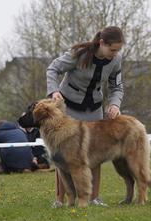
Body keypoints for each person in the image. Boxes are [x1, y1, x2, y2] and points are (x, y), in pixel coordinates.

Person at [46, 26, 125, 207]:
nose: (115, 54)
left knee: (95, 153)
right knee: (63, 156)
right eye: (112, 49)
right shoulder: (78, 54)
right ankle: (60, 200)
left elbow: (117, 87)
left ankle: (94, 198)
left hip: (94, 111)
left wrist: (114, 104)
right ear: (101, 43)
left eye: (118, 50)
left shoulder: (116, 60)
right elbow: (52, 69)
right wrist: (54, 91)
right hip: (69, 110)